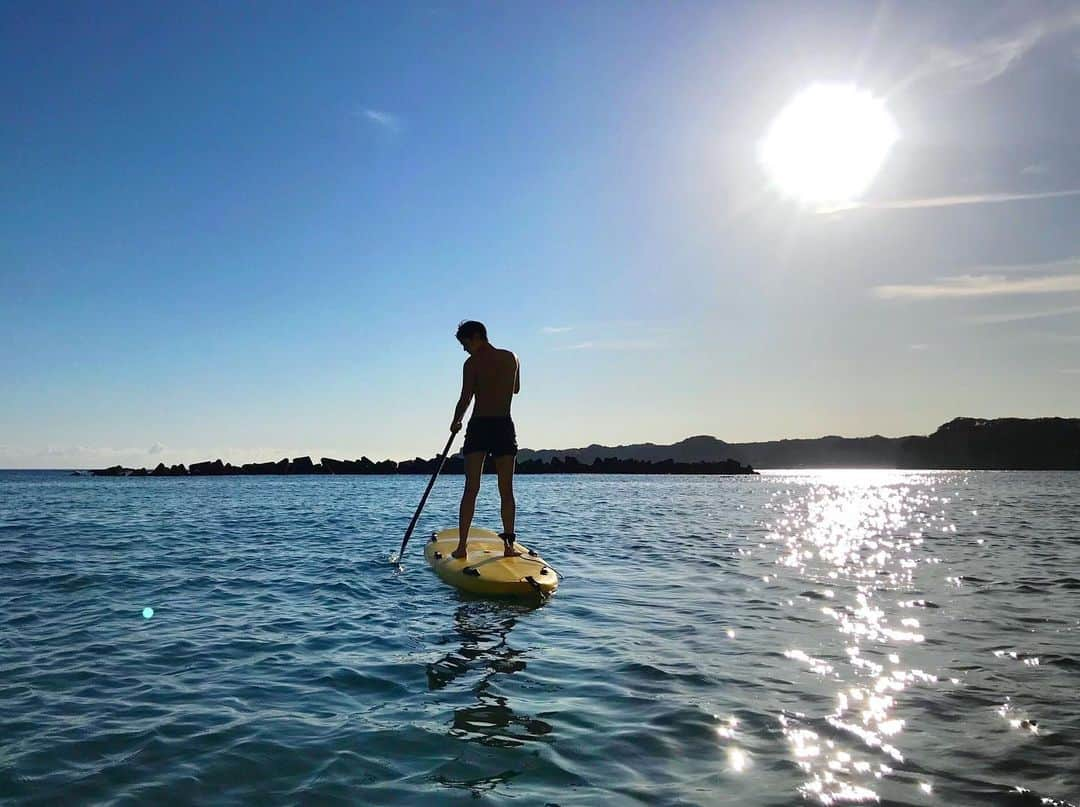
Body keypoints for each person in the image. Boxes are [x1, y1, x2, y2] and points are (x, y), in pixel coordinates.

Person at [449, 320, 520, 559]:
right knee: (506, 489)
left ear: (477, 336)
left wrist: (455, 421)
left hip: (480, 426)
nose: (464, 348)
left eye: (465, 343)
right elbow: (516, 389)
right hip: (503, 424)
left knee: (471, 488)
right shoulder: (512, 358)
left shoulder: (471, 364)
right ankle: (508, 547)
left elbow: (466, 398)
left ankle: (461, 547)